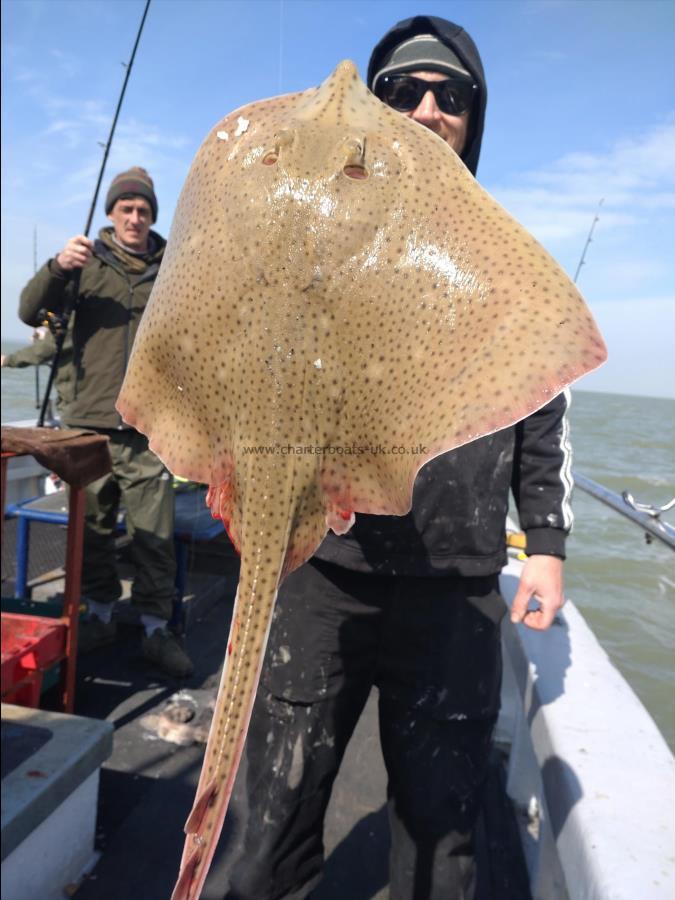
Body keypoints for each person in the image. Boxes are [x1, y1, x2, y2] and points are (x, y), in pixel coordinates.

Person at [221, 15, 573, 900]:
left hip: (454, 577)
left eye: (448, 96)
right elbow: (238, 359)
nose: (425, 110)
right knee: (272, 809)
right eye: (399, 93)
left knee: (439, 827)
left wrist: (550, 541)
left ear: (472, 116)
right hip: (324, 564)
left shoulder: (507, 255)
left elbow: (543, 402)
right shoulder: (305, 237)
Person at [18, 167, 193, 678]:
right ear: (111, 214)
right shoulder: (82, 264)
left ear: (152, 217)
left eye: (144, 210)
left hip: (148, 427)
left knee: (153, 537)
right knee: (91, 532)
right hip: (89, 423)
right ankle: (96, 616)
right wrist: (56, 267)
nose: (135, 217)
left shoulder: (173, 266)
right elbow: (30, 312)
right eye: (127, 209)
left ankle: (156, 628)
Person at [1, 325, 74, 421]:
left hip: (80, 409)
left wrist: (6, 360)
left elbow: (45, 350)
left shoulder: (76, 317)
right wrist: (46, 338)